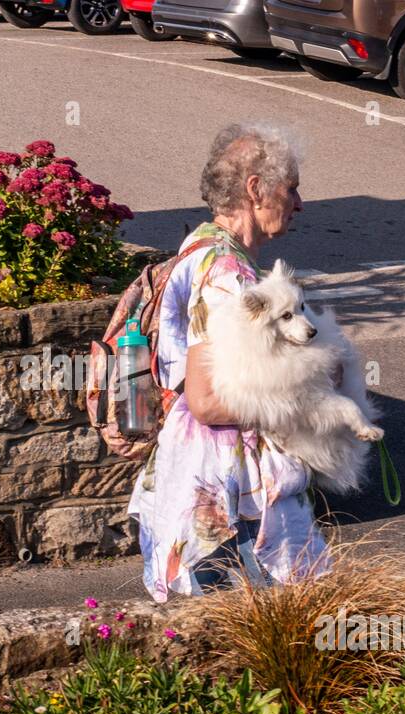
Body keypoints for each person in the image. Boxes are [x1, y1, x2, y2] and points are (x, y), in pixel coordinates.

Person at [128, 120, 332, 602]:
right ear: (256, 189)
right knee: (257, 634)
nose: (300, 203)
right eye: (292, 189)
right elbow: (208, 401)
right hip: (230, 498)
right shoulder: (227, 274)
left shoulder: (200, 245)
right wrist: (305, 400)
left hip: (201, 481)